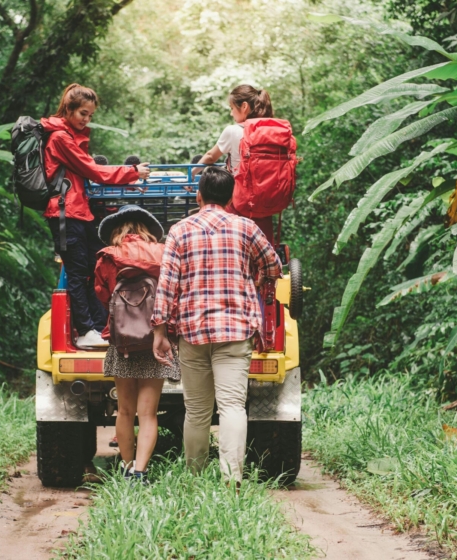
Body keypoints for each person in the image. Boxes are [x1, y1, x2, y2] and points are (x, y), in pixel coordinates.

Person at [151, 167, 282, 483]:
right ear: (232, 196)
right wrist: (257, 274)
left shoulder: (180, 230)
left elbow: (167, 283)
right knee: (233, 407)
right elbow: (275, 266)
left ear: (198, 196)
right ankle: (232, 478)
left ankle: (195, 478)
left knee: (196, 411)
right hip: (236, 330)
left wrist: (159, 331)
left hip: (193, 333)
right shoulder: (246, 228)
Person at [42, 84, 151, 349]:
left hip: (78, 211)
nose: (86, 119)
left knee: (94, 265)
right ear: (67, 109)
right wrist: (132, 172)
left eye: (90, 115)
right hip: (65, 213)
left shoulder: (68, 136)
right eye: (82, 113)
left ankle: (98, 325)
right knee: (78, 273)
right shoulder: (60, 138)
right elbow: (94, 170)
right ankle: (85, 330)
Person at [95, 205, 180, 484]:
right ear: (146, 229)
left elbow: (102, 294)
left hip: (122, 342)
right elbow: (172, 293)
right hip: (155, 338)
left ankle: (126, 465)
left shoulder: (108, 256)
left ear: (117, 230)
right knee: (148, 413)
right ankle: (140, 472)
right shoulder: (162, 252)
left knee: (125, 410)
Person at [192, 84, 276, 242]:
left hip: (240, 202)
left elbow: (210, 156)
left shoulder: (234, 131)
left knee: (233, 247)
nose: (231, 113)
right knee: (264, 247)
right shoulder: (272, 132)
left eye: (232, 108)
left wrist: (192, 173)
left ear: (244, 107)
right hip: (267, 202)